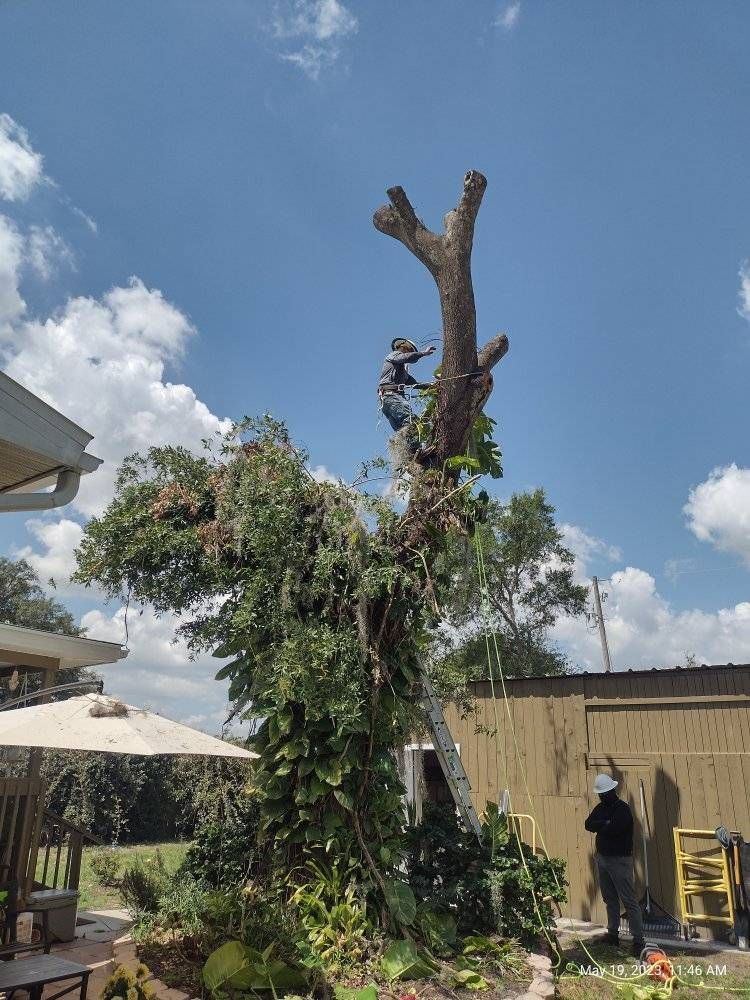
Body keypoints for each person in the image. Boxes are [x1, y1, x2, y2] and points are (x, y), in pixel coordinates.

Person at [584, 774, 645, 955]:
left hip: (619, 860)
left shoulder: (622, 809)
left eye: (604, 793)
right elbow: (588, 824)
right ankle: (612, 934)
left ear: (612, 790)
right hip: (602, 858)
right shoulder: (600, 808)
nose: (602, 797)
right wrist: (604, 823)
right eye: (600, 794)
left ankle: (639, 941)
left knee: (628, 900)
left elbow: (615, 829)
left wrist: (601, 826)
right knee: (609, 898)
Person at [378, 338, 436, 457]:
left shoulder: (402, 372)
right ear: (401, 346)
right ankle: (417, 451)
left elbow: (416, 384)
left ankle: (411, 457)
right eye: (407, 349)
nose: (407, 351)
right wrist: (423, 353)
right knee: (410, 421)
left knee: (402, 431)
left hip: (389, 400)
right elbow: (406, 358)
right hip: (391, 397)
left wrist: (432, 386)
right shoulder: (394, 355)